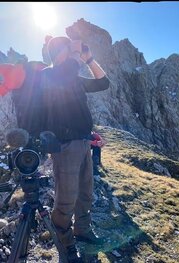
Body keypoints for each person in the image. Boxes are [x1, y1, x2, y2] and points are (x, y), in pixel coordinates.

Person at [37, 36, 110, 262]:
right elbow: (66, 72)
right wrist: (77, 54)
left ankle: (83, 230)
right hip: (65, 146)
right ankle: (66, 244)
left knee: (85, 193)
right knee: (66, 200)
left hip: (83, 142)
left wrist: (89, 59)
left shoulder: (73, 78)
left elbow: (103, 83)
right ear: (60, 53)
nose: (73, 54)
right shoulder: (49, 75)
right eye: (69, 50)